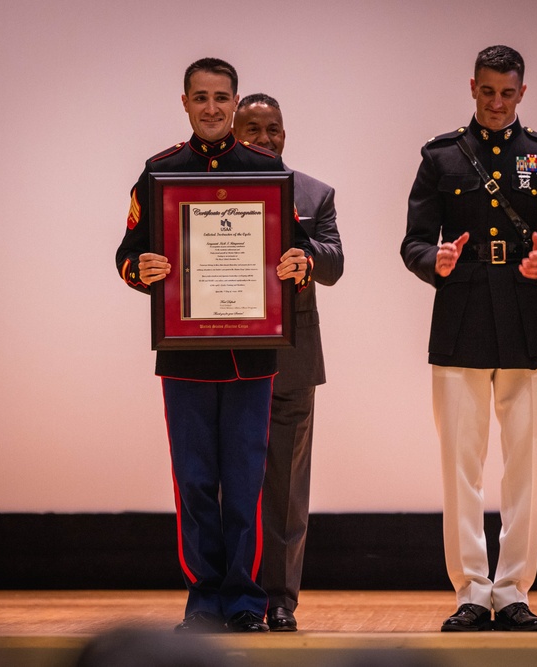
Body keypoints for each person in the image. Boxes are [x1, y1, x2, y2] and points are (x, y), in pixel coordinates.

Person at [115, 58, 313, 634]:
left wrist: (296, 265)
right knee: (196, 482)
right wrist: (141, 268)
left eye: (221, 97)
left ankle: (246, 601)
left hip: (252, 357)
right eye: (200, 97)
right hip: (185, 355)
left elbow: (296, 253)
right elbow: (126, 253)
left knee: (247, 484)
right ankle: (203, 600)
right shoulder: (159, 172)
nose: (211, 108)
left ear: (234, 102)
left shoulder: (266, 171)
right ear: (184, 102)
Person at [401, 45, 537, 632]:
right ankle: (472, 590)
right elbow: (413, 242)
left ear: (522, 92)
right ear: (473, 88)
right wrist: (439, 260)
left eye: (507, 93)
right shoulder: (443, 157)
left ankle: (513, 590)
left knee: (525, 465)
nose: (497, 103)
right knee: (461, 463)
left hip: (527, 320)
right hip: (459, 318)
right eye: (487, 92)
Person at [232, 93, 344, 632]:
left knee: (285, 491)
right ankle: (234, 598)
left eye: (272, 129)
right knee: (231, 485)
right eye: (251, 129)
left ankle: (280, 599)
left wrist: (308, 259)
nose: (263, 139)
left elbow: (335, 262)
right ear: (233, 132)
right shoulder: (211, 189)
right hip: (224, 357)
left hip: (292, 363)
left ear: (284, 132)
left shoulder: (313, 194)